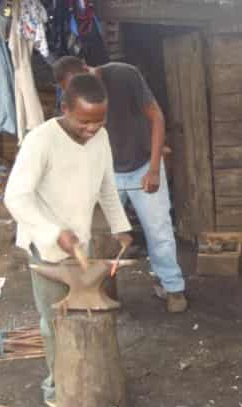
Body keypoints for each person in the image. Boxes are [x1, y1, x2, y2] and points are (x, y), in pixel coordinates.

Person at [4, 74, 133, 407]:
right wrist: (53, 232)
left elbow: (107, 186)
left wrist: (120, 225)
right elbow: (16, 197)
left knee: (83, 316)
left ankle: (85, 376)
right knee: (54, 322)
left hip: (81, 241)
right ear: (64, 108)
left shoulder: (100, 137)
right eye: (84, 121)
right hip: (46, 247)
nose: (92, 128)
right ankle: (56, 388)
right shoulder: (40, 140)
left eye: (99, 120)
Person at [52, 56, 187, 313]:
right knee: (93, 233)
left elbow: (156, 117)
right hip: (106, 173)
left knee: (159, 230)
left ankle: (173, 287)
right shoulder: (71, 99)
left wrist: (155, 169)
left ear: (86, 66)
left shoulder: (125, 75)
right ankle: (95, 290)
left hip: (142, 165)